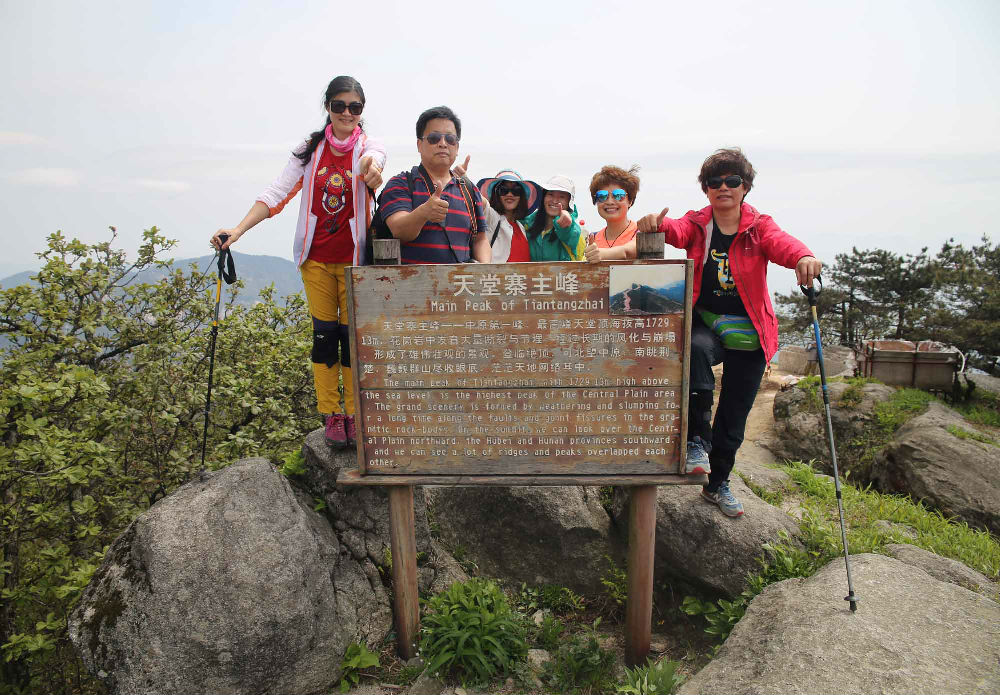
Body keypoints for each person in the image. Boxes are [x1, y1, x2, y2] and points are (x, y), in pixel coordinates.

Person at [638, 148, 822, 518]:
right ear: (706, 189)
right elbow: (677, 230)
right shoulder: (699, 222)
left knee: (735, 414)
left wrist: (804, 257)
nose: (724, 187)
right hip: (706, 319)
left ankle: (718, 482)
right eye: (715, 182)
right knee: (696, 352)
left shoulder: (759, 226)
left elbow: (784, 244)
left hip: (751, 328)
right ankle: (696, 443)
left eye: (732, 180)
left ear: (745, 187)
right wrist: (653, 225)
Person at [210, 75, 386, 448]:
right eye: (339, 105)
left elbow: (375, 161)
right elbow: (277, 193)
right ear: (328, 107)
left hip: (356, 263)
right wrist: (238, 230)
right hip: (316, 261)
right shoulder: (309, 149)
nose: (347, 113)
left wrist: (372, 170)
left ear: (362, 111)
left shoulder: (368, 147)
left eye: (355, 107)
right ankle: (332, 414)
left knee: (352, 340)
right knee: (324, 338)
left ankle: (356, 413)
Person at [379, 106, 490, 264]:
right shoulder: (401, 184)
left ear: (457, 147)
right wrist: (424, 212)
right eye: (434, 138)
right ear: (419, 145)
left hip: (462, 287)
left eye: (450, 139)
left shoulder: (469, 190)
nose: (443, 144)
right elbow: (399, 231)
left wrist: (485, 270)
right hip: (411, 287)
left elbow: (480, 240)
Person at [476, 169, 540, 262]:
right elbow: (479, 199)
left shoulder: (521, 227)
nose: (510, 194)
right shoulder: (491, 217)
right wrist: (463, 179)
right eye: (503, 190)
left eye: (516, 191)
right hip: (496, 276)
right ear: (496, 194)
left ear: (521, 196)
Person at [584, 165, 640, 263]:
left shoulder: (641, 233)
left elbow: (626, 252)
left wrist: (601, 254)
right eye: (602, 196)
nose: (610, 201)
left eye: (618, 195)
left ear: (630, 201)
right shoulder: (593, 238)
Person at [522, 175, 586, 261]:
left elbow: (571, 235)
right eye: (551, 194)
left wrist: (566, 226)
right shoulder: (527, 223)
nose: (555, 201)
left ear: (569, 202)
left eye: (562, 197)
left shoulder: (573, 229)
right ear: (543, 197)